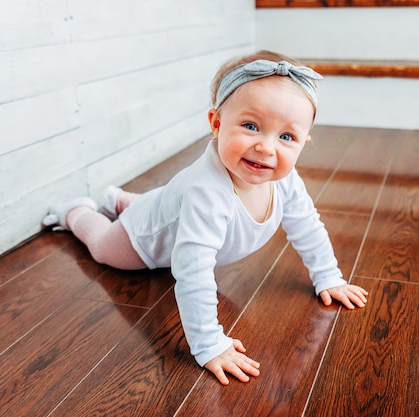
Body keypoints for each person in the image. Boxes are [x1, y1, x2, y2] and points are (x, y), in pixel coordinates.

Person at [42, 50, 369, 385]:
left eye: (286, 136)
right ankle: (77, 211)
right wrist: (208, 343)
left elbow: (307, 226)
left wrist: (329, 276)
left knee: (164, 204)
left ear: (303, 142)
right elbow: (193, 271)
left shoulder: (285, 180)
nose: (266, 148)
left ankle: (120, 199)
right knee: (102, 247)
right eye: (250, 126)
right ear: (216, 123)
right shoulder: (206, 194)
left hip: (169, 208)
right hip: (141, 240)